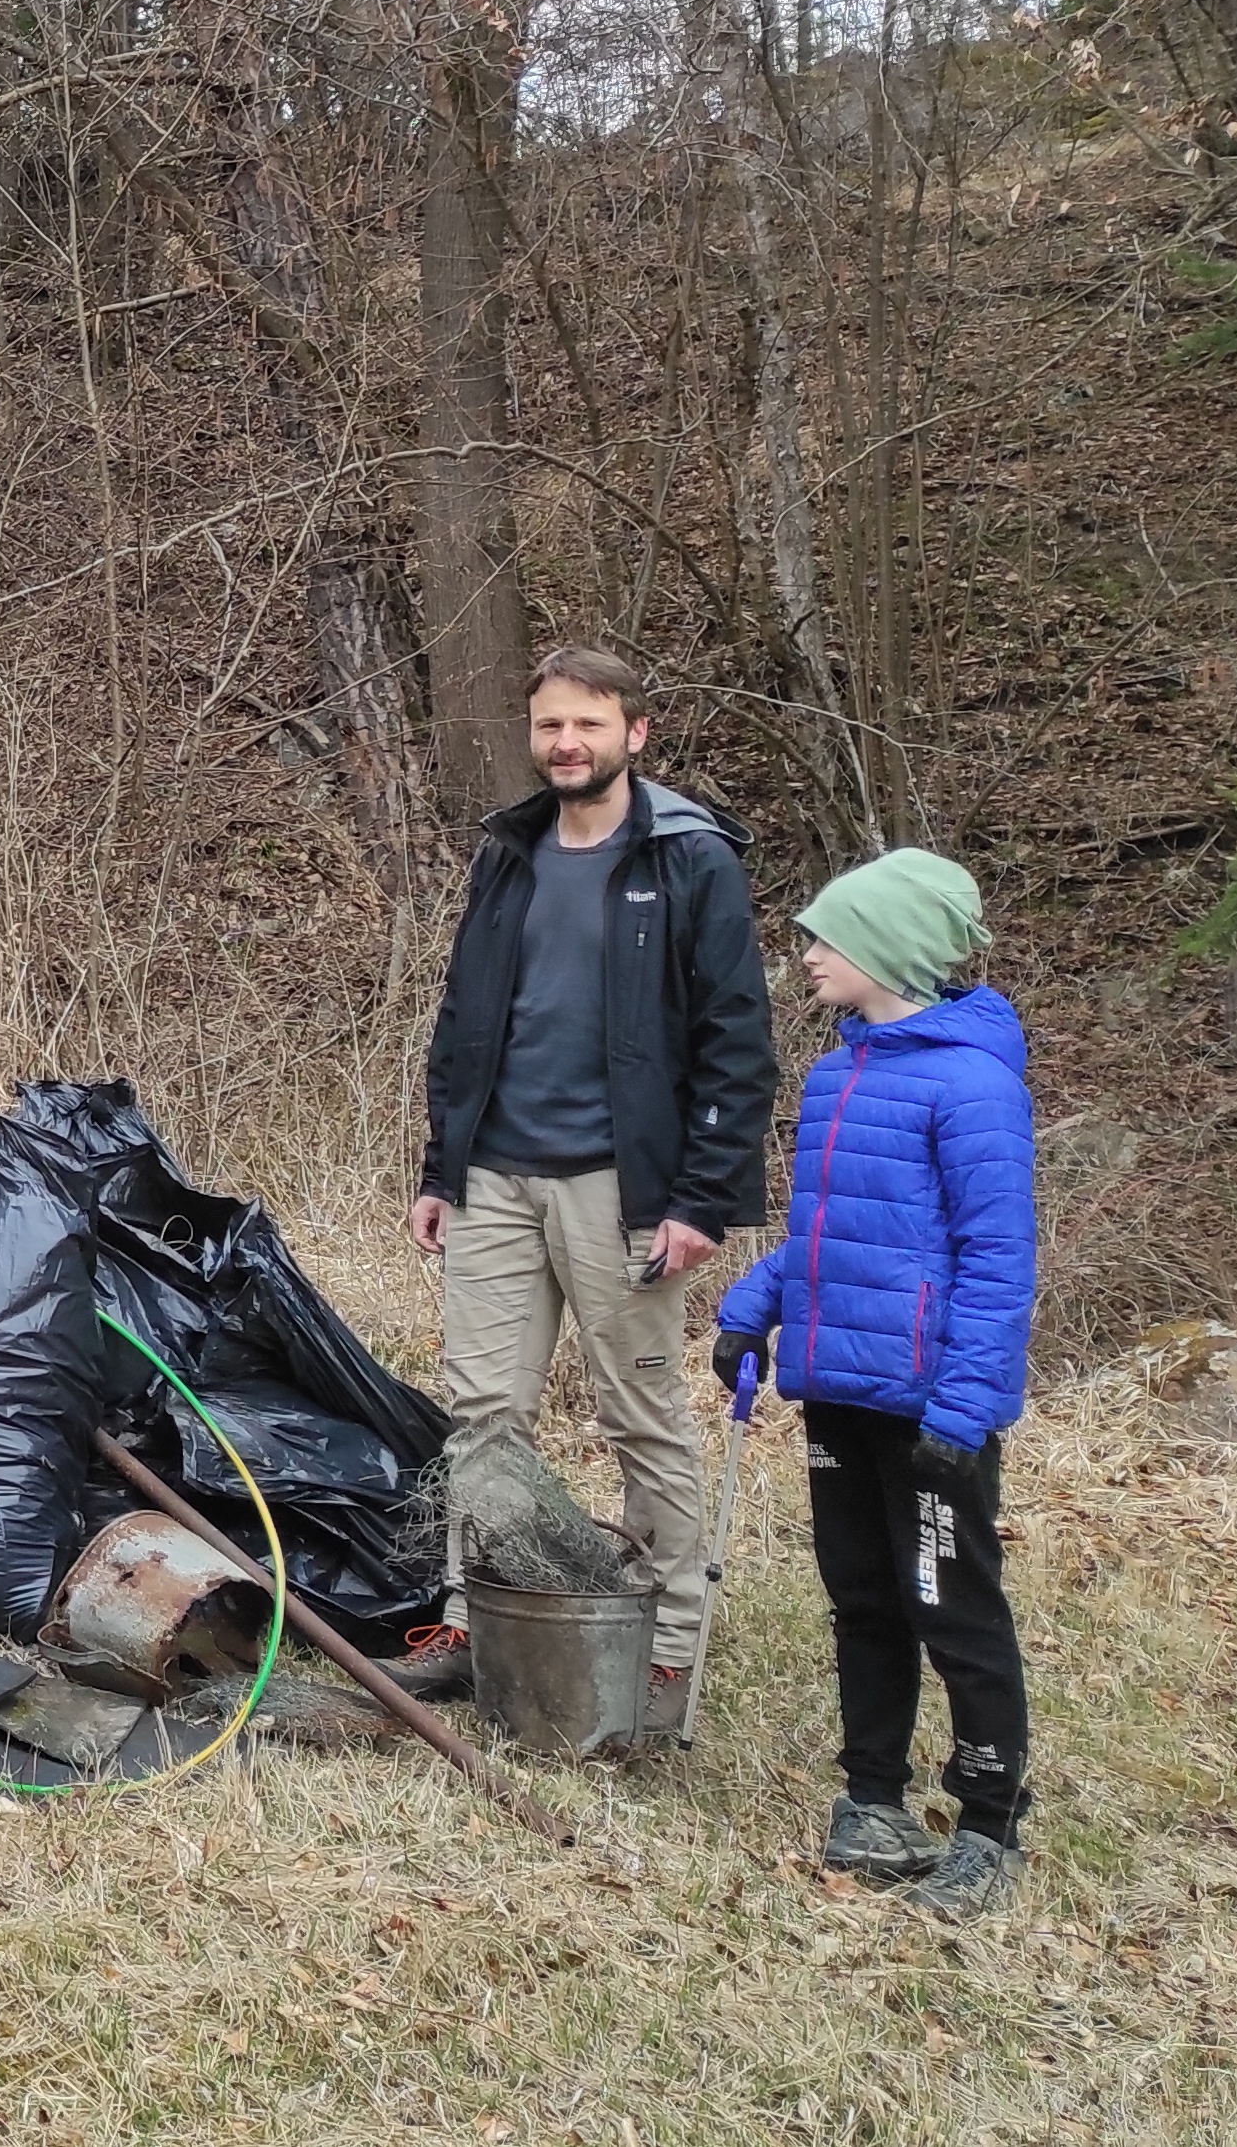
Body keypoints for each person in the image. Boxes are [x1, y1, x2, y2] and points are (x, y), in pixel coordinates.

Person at [405, 646, 776, 1725]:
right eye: (548, 727)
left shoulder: (689, 858)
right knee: (480, 1413)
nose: (565, 744)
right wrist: (441, 1166)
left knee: (639, 1416)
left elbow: (734, 1042)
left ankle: (662, 1648)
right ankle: (475, 1622)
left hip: (624, 1190)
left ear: (634, 734)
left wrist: (700, 1197)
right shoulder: (508, 853)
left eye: (587, 725)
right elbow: (464, 1020)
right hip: (491, 1180)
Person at [713, 848, 1036, 1920]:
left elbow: (996, 1261)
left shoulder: (971, 1085)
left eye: (825, 939)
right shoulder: (837, 1071)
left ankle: (987, 1822)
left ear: (890, 950)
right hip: (836, 1389)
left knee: (949, 1605)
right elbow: (824, 1234)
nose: (803, 957)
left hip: (927, 1406)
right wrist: (747, 1310)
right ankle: (870, 1798)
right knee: (859, 1598)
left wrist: (960, 1407)